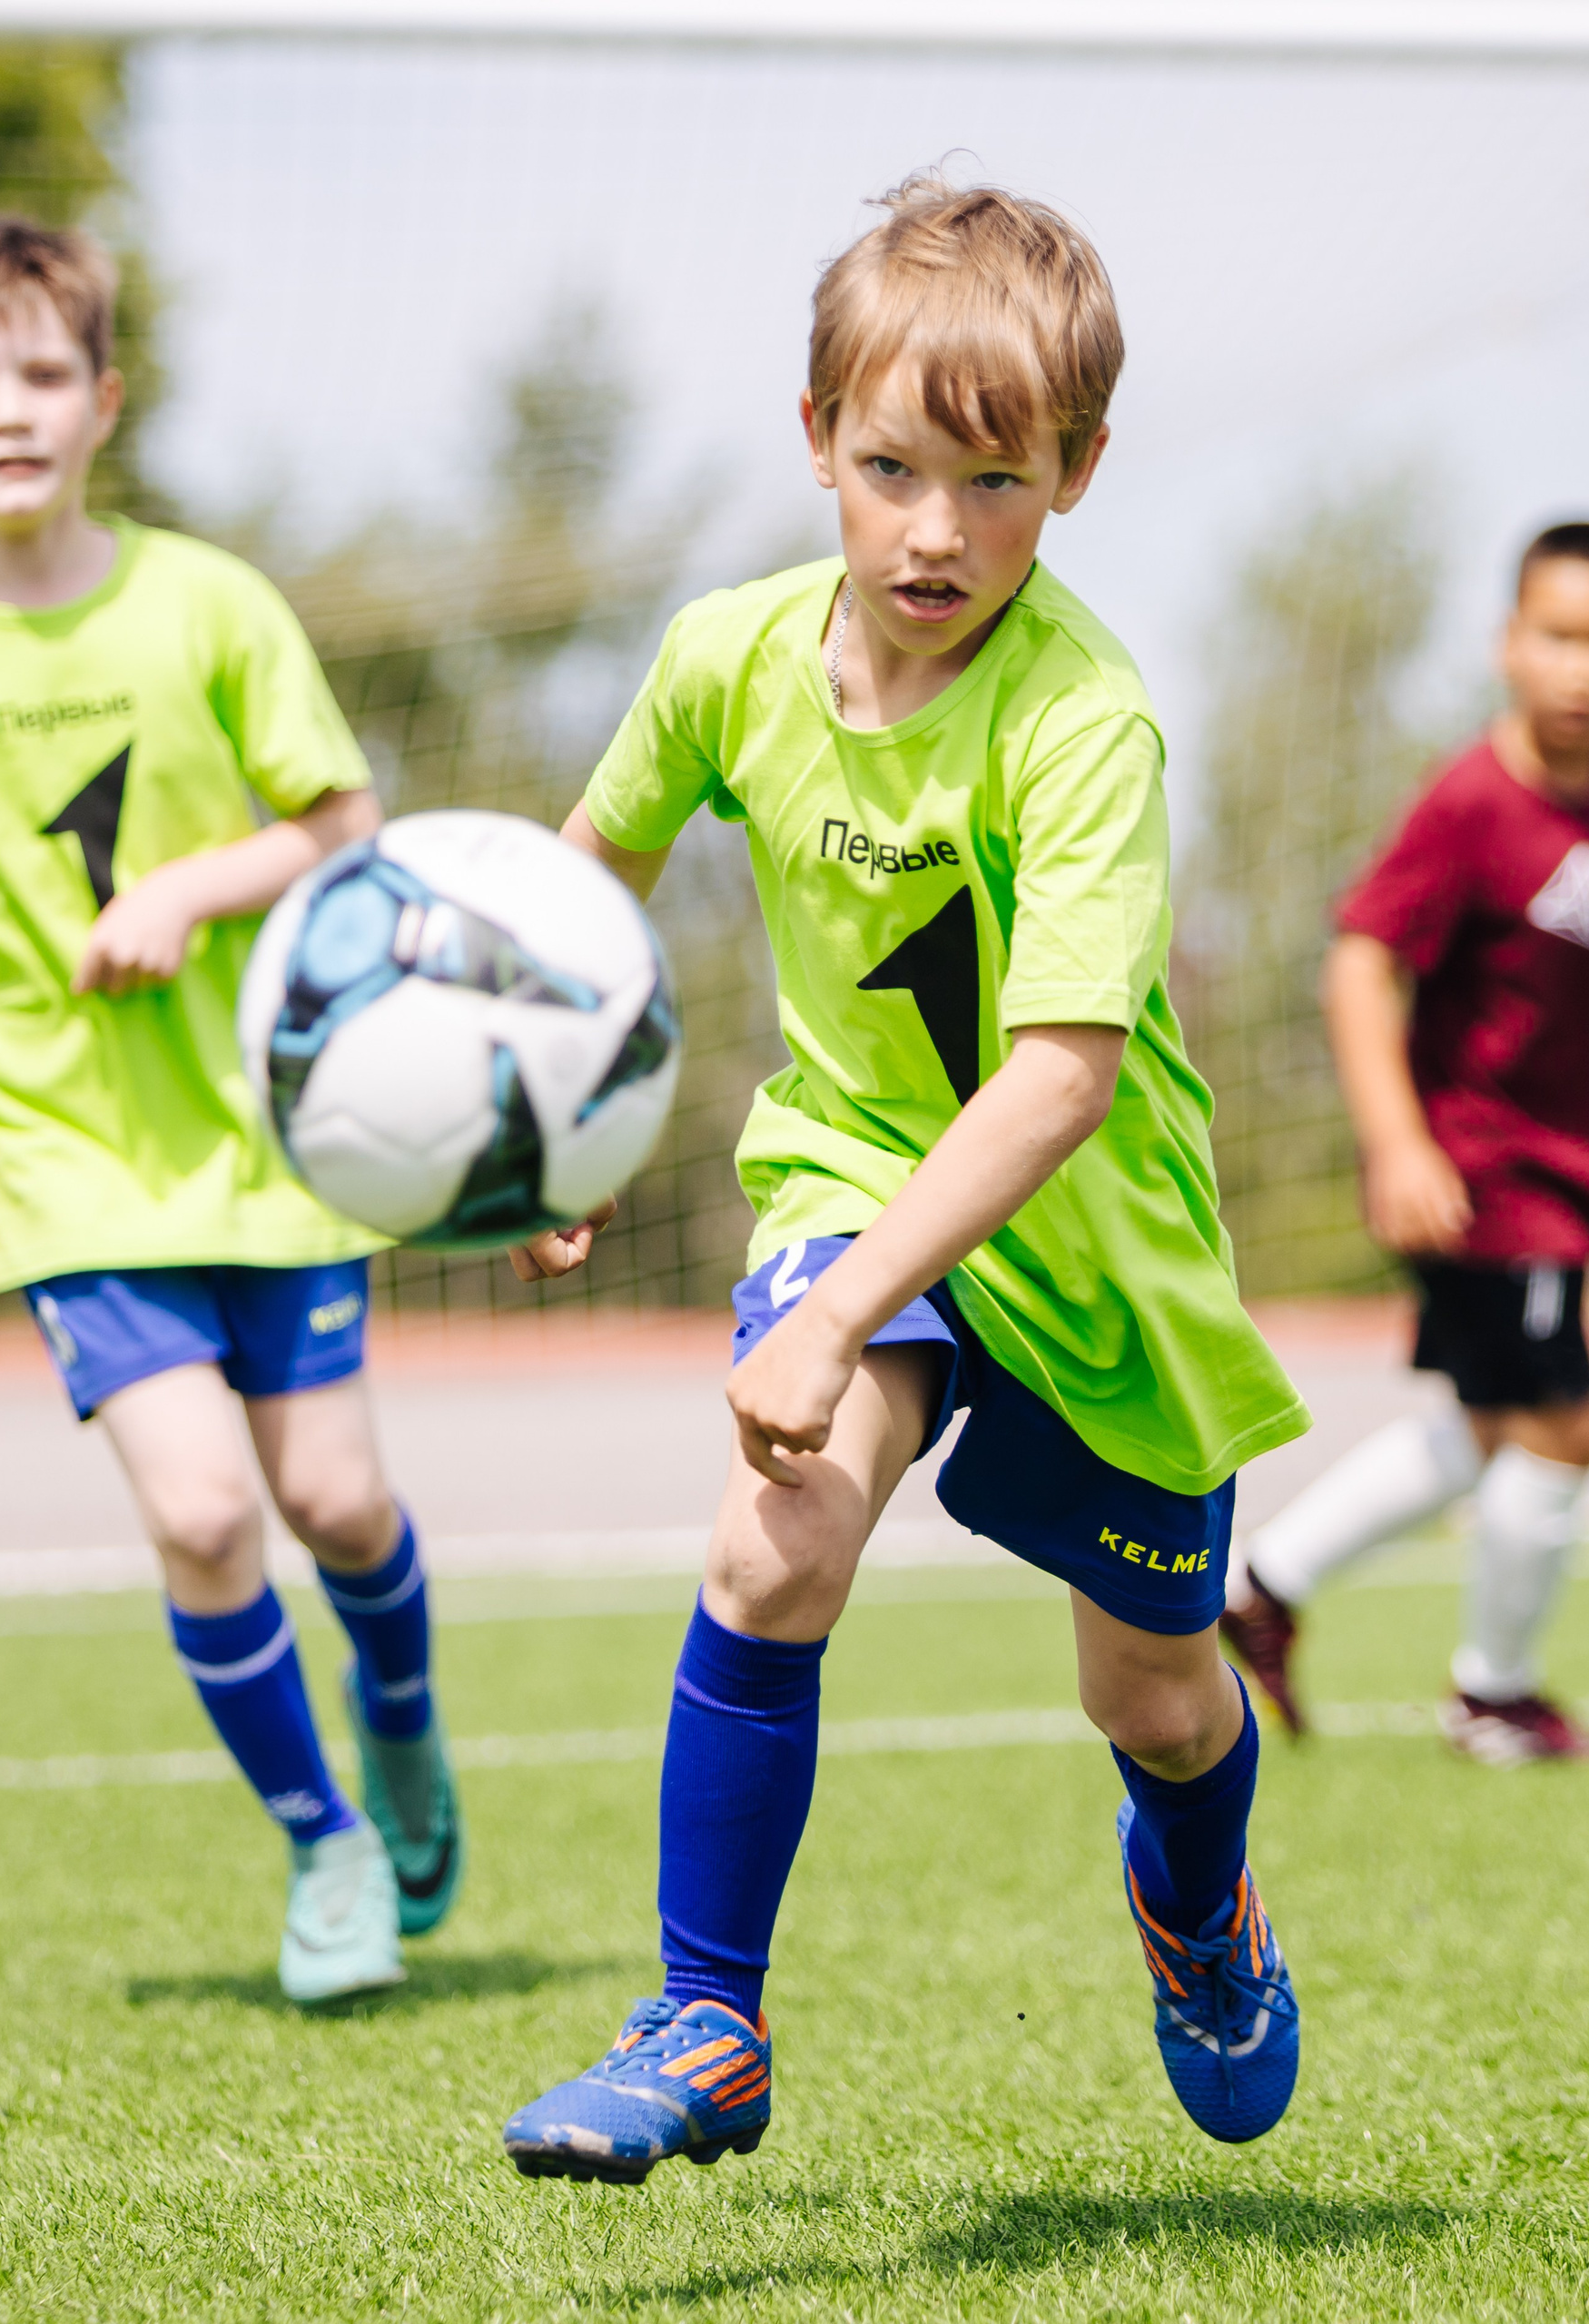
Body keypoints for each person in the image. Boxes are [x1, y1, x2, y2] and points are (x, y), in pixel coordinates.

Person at [496, 176, 1313, 2184]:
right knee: (774, 1534)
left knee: (1157, 1694)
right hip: (855, 1176)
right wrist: (542, 1097)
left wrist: (845, 1306)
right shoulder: (723, 656)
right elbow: (576, 878)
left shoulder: (1084, 720)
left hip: (1098, 1254)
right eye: (888, 468)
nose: (934, 530)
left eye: (993, 479)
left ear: (1078, 472)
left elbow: (1054, 1082)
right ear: (812, 443)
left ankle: (1198, 1909)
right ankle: (705, 2016)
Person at [0, 216, 459, 2004]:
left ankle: (398, 1715)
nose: (3, 407)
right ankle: (328, 1842)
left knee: (332, 1500)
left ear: (101, 399)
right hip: (56, 1152)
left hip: (261, 1130)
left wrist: (186, 892)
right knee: (199, 1514)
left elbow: (341, 823)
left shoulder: (208, 601)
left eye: (37, 373)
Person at [1221, 521, 1589, 1764]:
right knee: (1562, 1426)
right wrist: (1395, 1141)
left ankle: (1267, 1589)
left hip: (1580, 1177)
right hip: (1488, 1178)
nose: (1581, 665)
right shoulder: (1471, 801)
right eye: (1557, 636)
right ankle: (1495, 1694)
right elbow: (1360, 960)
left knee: (1486, 1428)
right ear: (1507, 644)